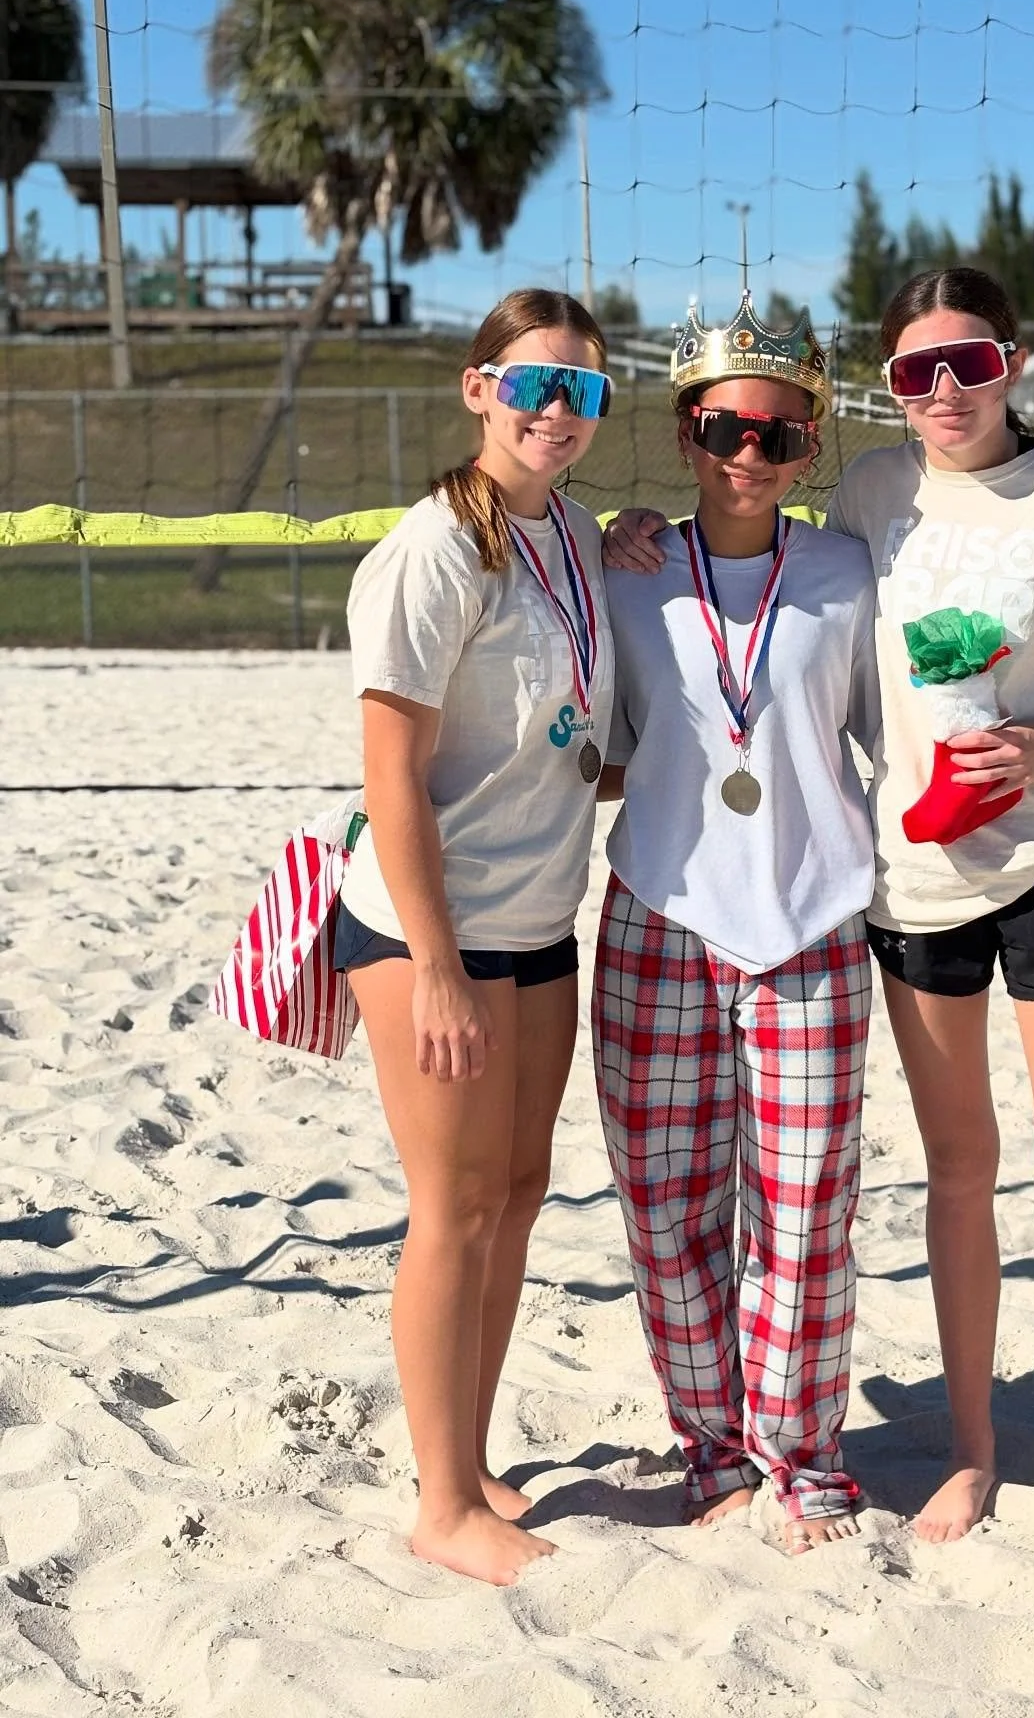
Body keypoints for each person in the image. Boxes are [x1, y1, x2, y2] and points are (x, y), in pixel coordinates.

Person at [603, 265, 1034, 1560]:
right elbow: (763, 576)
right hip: (913, 880)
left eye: (972, 364)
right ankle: (973, 1456)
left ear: (1014, 362)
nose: (946, 391)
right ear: (888, 391)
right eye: (916, 372)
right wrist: (632, 532)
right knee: (956, 1176)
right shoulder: (874, 497)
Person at [335, 287, 614, 1585]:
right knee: (449, 1207)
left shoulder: (574, 536)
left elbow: (572, 741)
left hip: (540, 916)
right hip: (423, 931)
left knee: (515, 1193)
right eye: (534, 384)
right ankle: (441, 1503)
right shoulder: (434, 549)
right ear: (477, 389)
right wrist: (434, 965)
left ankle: (472, 1456)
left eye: (584, 391)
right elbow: (392, 775)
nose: (557, 410)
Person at [594, 293, 881, 1554]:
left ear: (811, 443)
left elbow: (907, 726)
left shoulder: (850, 572)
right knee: (667, 1212)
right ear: (686, 430)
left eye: (777, 435)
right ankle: (712, 1440)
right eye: (721, 429)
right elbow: (581, 736)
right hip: (660, 911)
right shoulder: (627, 569)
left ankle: (801, 1451)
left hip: (813, 923)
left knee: (809, 1209)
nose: (747, 456)